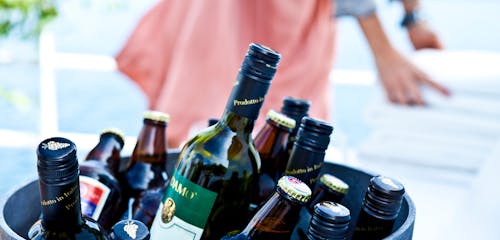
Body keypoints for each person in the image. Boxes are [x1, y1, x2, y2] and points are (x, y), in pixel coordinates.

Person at [116, 0, 450, 148]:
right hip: (225, 15)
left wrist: (413, 16)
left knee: (280, 140)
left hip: (294, 20)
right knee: (197, 131)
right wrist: (383, 50)